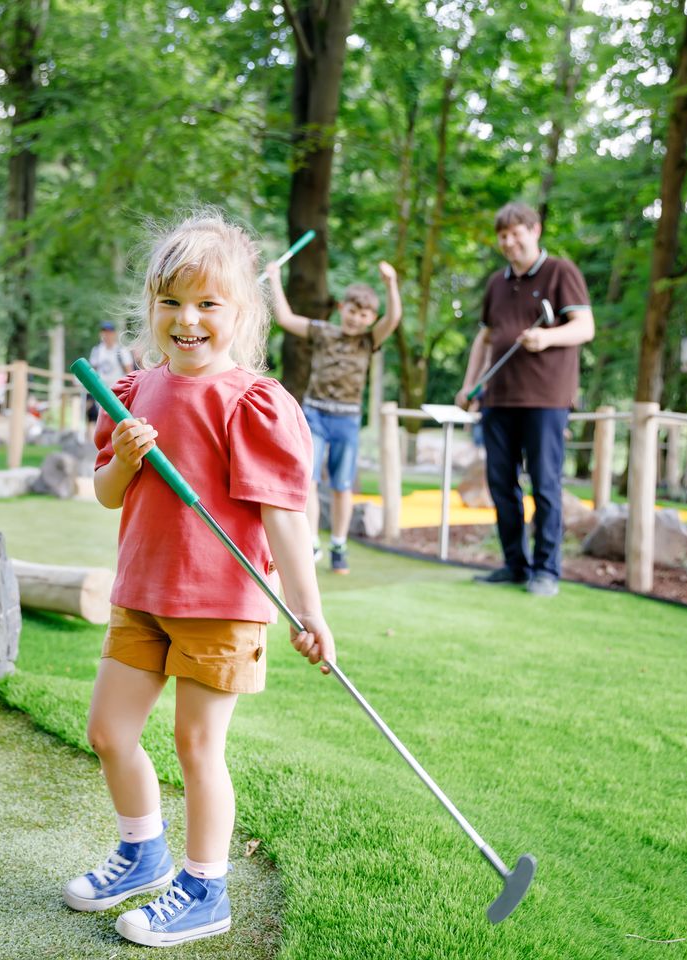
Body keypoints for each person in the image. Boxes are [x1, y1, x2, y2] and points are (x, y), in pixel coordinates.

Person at [62, 210, 335, 948]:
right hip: (142, 594)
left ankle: (205, 889)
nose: (188, 320)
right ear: (151, 309)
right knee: (109, 732)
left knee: (195, 745)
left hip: (221, 603)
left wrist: (309, 612)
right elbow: (108, 492)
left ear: (240, 312)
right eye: (171, 302)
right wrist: (122, 455)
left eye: (208, 303)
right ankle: (141, 851)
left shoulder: (252, 400)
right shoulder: (134, 389)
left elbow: (284, 517)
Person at [455, 201, 594, 597]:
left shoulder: (560, 272)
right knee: (501, 483)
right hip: (498, 399)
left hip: (545, 400)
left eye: (516, 233)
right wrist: (470, 385)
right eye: (503, 236)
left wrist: (546, 337)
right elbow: (484, 338)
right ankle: (514, 564)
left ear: (534, 230)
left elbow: (584, 327)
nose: (509, 242)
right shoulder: (497, 284)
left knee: (545, 484)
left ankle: (546, 569)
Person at [265, 259, 401, 574]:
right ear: (342, 308)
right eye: (352, 310)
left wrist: (391, 283)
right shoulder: (323, 331)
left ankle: (339, 543)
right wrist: (274, 278)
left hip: (347, 421)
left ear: (371, 319)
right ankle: (311, 541)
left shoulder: (369, 341)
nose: (356, 318)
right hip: (315, 415)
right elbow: (285, 318)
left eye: (364, 314)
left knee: (342, 486)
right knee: (308, 479)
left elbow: (394, 317)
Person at [86, 320, 136, 423]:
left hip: (117, 391)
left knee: (116, 419)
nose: (106, 335)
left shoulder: (121, 351)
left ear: (113, 334)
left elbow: (129, 372)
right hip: (101, 391)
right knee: (99, 419)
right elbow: (92, 370)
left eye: (109, 332)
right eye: (104, 332)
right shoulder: (97, 351)